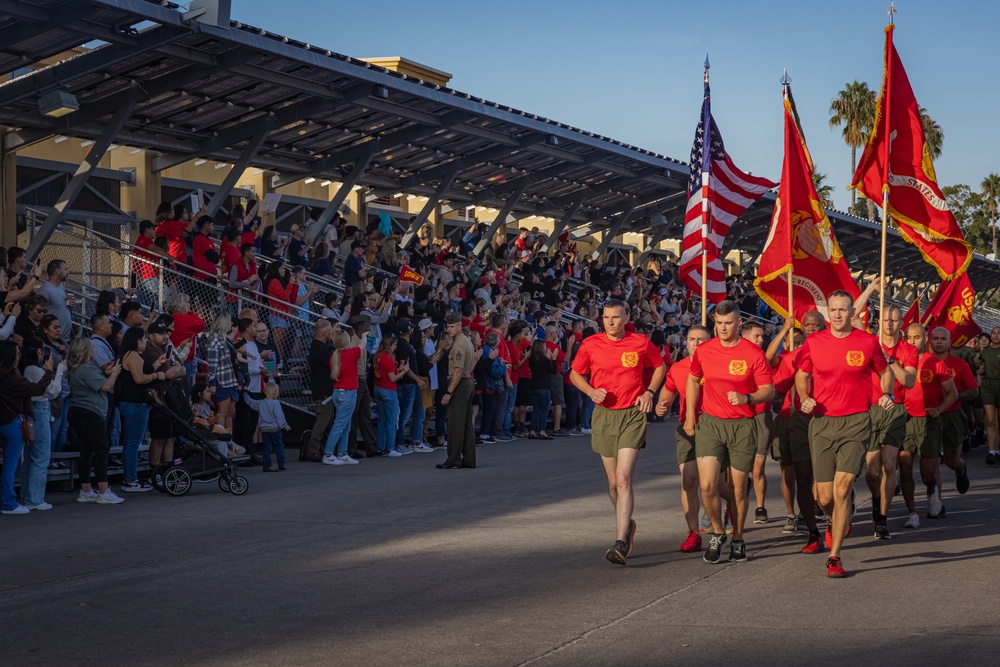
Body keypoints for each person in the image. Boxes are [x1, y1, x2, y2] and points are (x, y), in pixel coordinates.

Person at [795, 290, 892, 578]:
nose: (837, 314)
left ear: (852, 312)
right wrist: (804, 397)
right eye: (833, 310)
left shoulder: (866, 341)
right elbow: (802, 375)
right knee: (824, 497)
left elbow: (884, 370)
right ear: (828, 313)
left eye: (842, 309)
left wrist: (887, 391)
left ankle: (835, 556)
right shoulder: (814, 342)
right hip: (822, 423)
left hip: (856, 422)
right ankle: (833, 517)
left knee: (842, 488)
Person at [570, 299, 666, 566]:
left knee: (624, 479)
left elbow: (660, 366)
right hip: (604, 415)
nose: (610, 322)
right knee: (613, 484)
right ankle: (627, 523)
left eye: (616, 317)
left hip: (632, 414)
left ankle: (620, 540)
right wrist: (590, 391)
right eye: (606, 318)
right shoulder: (591, 345)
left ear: (626, 318)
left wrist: (649, 392)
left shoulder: (639, 342)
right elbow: (575, 374)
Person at [684, 300, 773, 564]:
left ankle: (739, 538)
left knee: (737, 489)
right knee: (707, 483)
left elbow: (769, 390)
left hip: (743, 426)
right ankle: (719, 533)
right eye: (719, 323)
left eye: (728, 323)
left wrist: (747, 398)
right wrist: (691, 414)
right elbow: (692, 379)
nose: (723, 328)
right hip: (711, 423)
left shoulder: (752, 353)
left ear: (738, 323)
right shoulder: (705, 350)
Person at [655, 325, 712, 553]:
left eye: (702, 340)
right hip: (687, 429)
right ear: (685, 342)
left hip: (715, 427)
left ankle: (724, 516)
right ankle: (693, 533)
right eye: (692, 339)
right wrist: (662, 405)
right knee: (689, 480)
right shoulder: (678, 368)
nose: (696, 344)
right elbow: (668, 392)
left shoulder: (718, 366)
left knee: (714, 484)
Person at [864, 303, 917, 540]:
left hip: (895, 409)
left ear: (901, 324)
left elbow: (909, 381)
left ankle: (882, 520)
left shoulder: (908, 350)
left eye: (894, 320)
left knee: (888, 464)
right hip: (869, 409)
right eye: (886, 319)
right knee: (872, 471)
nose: (889, 324)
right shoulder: (868, 343)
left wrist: (890, 361)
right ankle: (876, 499)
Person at [899, 324, 956, 527]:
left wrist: (938, 410)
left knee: (928, 474)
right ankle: (912, 512)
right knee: (905, 468)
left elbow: (953, 393)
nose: (913, 341)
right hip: (905, 421)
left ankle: (932, 493)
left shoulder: (936, 363)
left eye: (917, 337)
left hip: (928, 422)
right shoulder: (900, 361)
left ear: (925, 339)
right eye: (909, 337)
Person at [66, 337, 124, 505]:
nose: (94, 350)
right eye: (91, 348)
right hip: (90, 413)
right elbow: (105, 387)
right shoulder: (84, 369)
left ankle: (85, 490)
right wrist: (114, 374)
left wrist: (106, 374)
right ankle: (104, 490)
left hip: (79, 412)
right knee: (101, 449)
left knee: (86, 451)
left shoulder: (78, 369)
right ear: (84, 350)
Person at [0, 341, 55, 514]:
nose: (20, 355)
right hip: (13, 424)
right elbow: (38, 389)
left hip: (4, 422)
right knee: (10, 466)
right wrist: (49, 371)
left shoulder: (7, 377)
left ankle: (12, 500)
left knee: (11, 465)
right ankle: (8, 503)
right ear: (10, 356)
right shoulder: (12, 378)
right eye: (17, 353)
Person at [117, 327, 166, 492]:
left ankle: (130, 479)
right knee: (132, 443)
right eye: (143, 339)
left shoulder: (131, 356)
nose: (145, 342)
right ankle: (130, 480)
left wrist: (156, 364)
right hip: (135, 404)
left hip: (132, 404)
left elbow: (141, 371)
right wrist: (157, 375)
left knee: (131, 442)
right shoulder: (133, 355)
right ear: (136, 340)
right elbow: (139, 378)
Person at [931, 327, 976, 501]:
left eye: (943, 339)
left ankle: (961, 469)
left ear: (950, 343)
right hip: (930, 416)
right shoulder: (923, 363)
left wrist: (954, 396)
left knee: (951, 461)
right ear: (930, 342)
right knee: (932, 461)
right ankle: (935, 503)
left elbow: (974, 391)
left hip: (953, 415)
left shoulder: (959, 364)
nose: (939, 342)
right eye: (936, 338)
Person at [740, 321, 774, 525]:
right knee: (740, 469)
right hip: (740, 416)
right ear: (744, 337)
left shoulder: (761, 357)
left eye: (762, 336)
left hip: (761, 414)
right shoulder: (734, 355)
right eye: (757, 336)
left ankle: (760, 507)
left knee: (758, 467)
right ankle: (736, 505)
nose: (761, 340)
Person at [143, 316, 187, 470]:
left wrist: (176, 369)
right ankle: (154, 472)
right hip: (157, 400)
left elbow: (183, 369)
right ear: (151, 336)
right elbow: (169, 374)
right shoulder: (150, 351)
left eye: (167, 333)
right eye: (162, 333)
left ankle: (167, 472)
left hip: (169, 400)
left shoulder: (165, 350)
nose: (166, 336)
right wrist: (176, 369)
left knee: (170, 437)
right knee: (159, 438)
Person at [437, 312, 478, 469]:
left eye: (452, 326)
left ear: (460, 326)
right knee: (466, 423)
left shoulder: (459, 344)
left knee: (456, 423)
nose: (449, 329)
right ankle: (468, 459)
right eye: (448, 326)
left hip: (460, 383)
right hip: (467, 382)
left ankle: (453, 460)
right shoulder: (465, 340)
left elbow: (458, 371)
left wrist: (449, 392)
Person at [322, 331, 361, 465]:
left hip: (338, 392)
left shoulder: (335, 356)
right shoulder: (350, 353)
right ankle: (328, 453)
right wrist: (365, 336)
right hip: (348, 393)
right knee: (340, 425)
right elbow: (363, 345)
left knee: (345, 425)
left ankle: (342, 453)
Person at [244, 381, 291, 472]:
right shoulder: (276, 403)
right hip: (275, 428)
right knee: (279, 445)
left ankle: (266, 465)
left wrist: (245, 396)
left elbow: (251, 403)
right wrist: (285, 425)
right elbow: (279, 416)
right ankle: (281, 464)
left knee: (267, 447)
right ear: (274, 393)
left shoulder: (261, 403)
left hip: (264, 428)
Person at [206, 312, 239, 435]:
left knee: (231, 413)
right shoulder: (214, 340)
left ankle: (229, 441)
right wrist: (212, 383)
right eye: (229, 321)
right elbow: (212, 365)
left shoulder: (225, 339)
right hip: (221, 380)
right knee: (223, 412)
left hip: (230, 379)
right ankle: (221, 442)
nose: (231, 323)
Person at [373, 335, 407, 457]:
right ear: (390, 345)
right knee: (391, 420)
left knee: (382, 420)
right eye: (394, 345)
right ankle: (390, 448)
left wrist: (397, 369)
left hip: (378, 388)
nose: (395, 347)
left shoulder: (378, 356)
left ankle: (381, 447)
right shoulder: (387, 357)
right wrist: (404, 371)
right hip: (388, 389)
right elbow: (392, 378)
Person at [977, 326, 1000, 465]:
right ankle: (992, 451)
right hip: (988, 386)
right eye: (994, 333)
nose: (996, 335)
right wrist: (978, 369)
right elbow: (980, 370)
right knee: (991, 420)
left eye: (999, 333)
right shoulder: (985, 353)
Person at [36, 259, 74, 343]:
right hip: (53, 341)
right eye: (65, 269)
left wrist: (70, 307)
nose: (68, 272)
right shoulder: (46, 290)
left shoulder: (60, 288)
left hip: (63, 339)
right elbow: (38, 314)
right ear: (58, 271)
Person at [527, 338, 556, 439]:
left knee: (535, 409)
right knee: (544, 410)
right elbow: (553, 370)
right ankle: (542, 430)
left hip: (533, 386)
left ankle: (532, 430)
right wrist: (554, 359)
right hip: (544, 387)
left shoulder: (531, 359)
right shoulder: (544, 360)